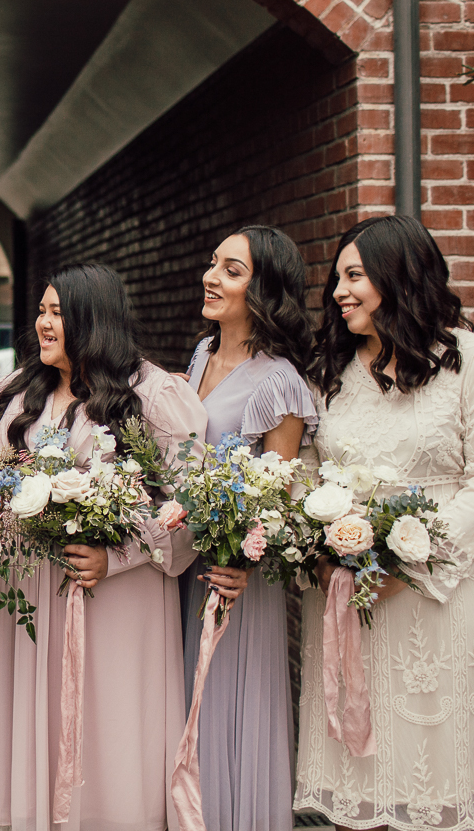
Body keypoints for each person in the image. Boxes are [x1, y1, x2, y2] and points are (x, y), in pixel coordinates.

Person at [296, 215, 474, 831]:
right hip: (346, 594)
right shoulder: (329, 369)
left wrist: (408, 562)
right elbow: (306, 468)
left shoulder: (470, 360)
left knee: (432, 777)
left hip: (432, 599)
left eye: (354, 275)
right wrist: (323, 543)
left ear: (400, 276)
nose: (338, 291)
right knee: (354, 784)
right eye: (336, 278)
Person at [0, 264, 209, 831]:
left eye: (57, 312)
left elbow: (191, 505)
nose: (43, 323)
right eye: (41, 311)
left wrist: (118, 557)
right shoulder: (18, 392)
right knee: (43, 722)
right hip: (33, 588)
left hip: (118, 596)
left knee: (110, 723)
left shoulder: (156, 396)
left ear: (95, 319)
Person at [180, 227, 317, 831]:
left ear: (263, 289)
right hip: (186, 564)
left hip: (236, 576)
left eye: (231, 270)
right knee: (188, 705)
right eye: (213, 264)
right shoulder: (199, 356)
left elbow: (276, 494)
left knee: (227, 709)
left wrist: (244, 558)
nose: (211, 277)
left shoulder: (278, 380)